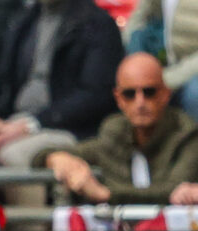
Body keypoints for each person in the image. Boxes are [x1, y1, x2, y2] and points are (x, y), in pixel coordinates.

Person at [0, 0, 123, 169]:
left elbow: (96, 96)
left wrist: (33, 123)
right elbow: (0, 83)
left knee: (11, 156)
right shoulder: (21, 20)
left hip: (70, 130)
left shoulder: (99, 25)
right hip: (16, 123)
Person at [35, 53, 198, 204]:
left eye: (149, 92)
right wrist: (55, 158)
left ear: (165, 94)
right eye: (130, 94)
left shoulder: (187, 134)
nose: (140, 103)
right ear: (119, 99)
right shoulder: (114, 133)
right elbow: (44, 156)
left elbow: (175, 190)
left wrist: (105, 194)